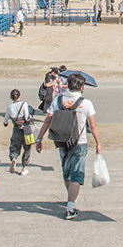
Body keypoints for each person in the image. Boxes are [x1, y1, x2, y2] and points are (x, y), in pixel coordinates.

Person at [35, 73, 101, 220]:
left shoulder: (58, 101)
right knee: (77, 174)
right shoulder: (86, 103)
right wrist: (98, 143)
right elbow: (93, 125)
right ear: (82, 87)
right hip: (80, 142)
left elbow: (47, 121)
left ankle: (71, 197)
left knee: (66, 172)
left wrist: (39, 139)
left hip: (61, 140)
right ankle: (70, 207)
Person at [3, 88, 35, 175]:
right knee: (27, 148)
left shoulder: (9, 107)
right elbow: (26, 117)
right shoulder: (24, 104)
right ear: (19, 96)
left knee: (14, 145)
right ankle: (24, 169)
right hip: (25, 130)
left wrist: (6, 123)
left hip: (16, 129)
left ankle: (14, 158)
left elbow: (5, 121)